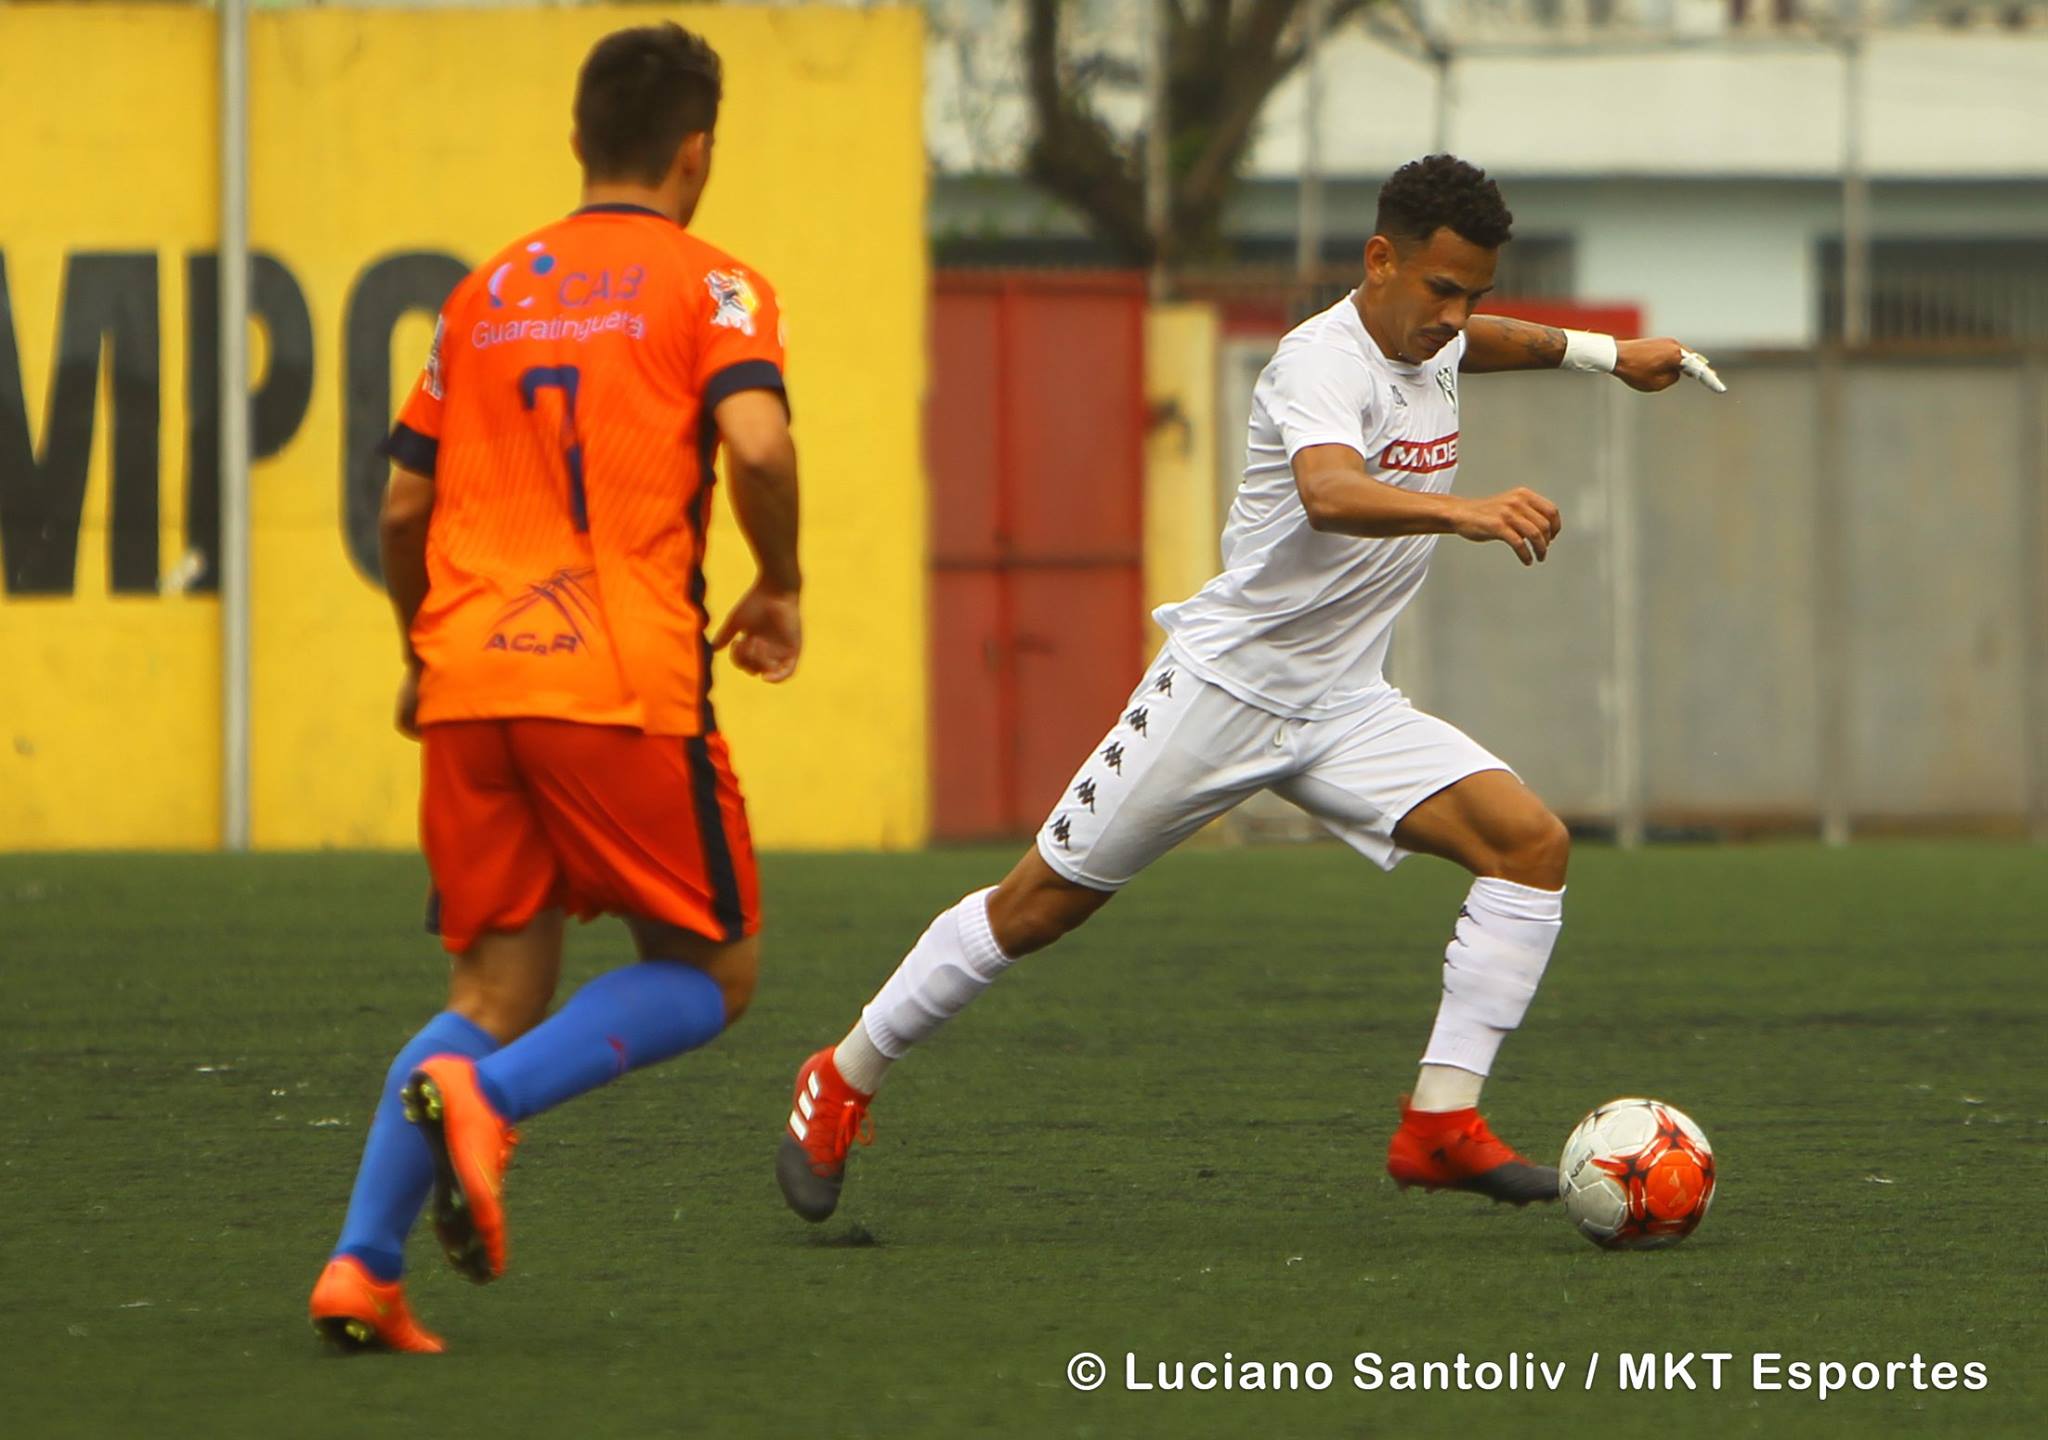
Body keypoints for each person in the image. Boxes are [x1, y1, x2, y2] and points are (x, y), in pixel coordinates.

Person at [776, 154, 1722, 1225]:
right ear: (1378, 261)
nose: (1455, 317)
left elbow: (1486, 344)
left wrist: (1606, 355)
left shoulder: (1440, 335)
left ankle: (1439, 1125)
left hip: (1342, 703)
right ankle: (842, 1075)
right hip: (1220, 690)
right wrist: (1462, 511)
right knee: (1035, 908)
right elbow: (1325, 492)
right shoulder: (1315, 362)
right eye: (1440, 291)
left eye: (1473, 295)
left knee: (1529, 847)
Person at [308, 22, 800, 1352]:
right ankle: (494, 1104)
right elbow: (755, 438)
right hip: (620, 680)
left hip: (471, 682)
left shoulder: (482, 297)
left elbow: (405, 503)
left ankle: (362, 1265)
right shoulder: (715, 288)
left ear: (578, 139)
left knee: (488, 996)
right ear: (697, 152)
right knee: (715, 970)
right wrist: (784, 579)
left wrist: (425, 647)